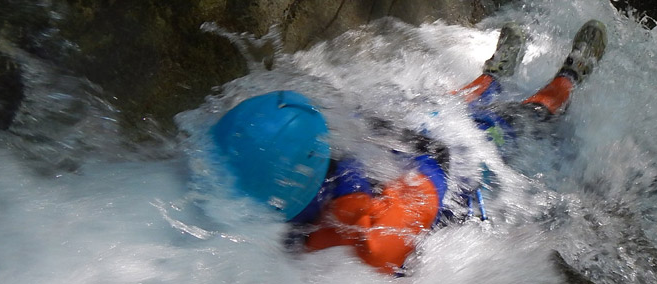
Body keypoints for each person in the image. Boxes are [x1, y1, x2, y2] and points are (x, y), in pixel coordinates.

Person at [209, 20, 608, 275]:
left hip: (413, 160)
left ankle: (490, 79)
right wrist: (384, 144)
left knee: (438, 109)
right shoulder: (365, 227)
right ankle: (567, 80)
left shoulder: (266, 213)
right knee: (508, 121)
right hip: (466, 186)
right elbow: (438, 163)